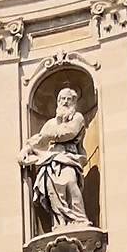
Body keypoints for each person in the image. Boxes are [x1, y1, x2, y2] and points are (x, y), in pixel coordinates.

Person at [20, 86, 92, 229]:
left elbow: (69, 133)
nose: (65, 102)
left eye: (69, 99)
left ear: (74, 102)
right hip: (50, 160)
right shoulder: (51, 123)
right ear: (58, 101)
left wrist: (48, 136)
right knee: (53, 191)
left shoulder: (78, 118)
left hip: (69, 158)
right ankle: (60, 223)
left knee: (70, 183)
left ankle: (79, 219)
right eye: (63, 99)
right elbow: (39, 140)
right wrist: (27, 149)